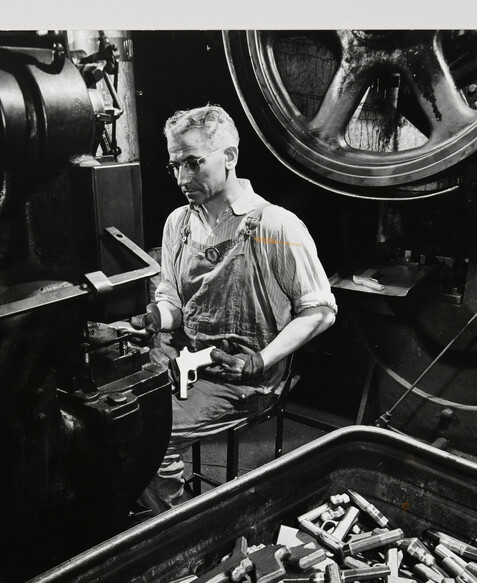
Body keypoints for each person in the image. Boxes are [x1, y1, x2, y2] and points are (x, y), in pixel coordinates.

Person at [124, 104, 337, 514]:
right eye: (175, 166)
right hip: (180, 358)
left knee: (148, 437)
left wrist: (261, 360)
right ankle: (151, 503)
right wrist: (155, 318)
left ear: (230, 156)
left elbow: (320, 311)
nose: (182, 179)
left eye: (192, 163)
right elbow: (174, 301)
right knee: (112, 414)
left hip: (239, 379)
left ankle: (171, 535)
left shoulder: (277, 226)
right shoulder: (178, 224)